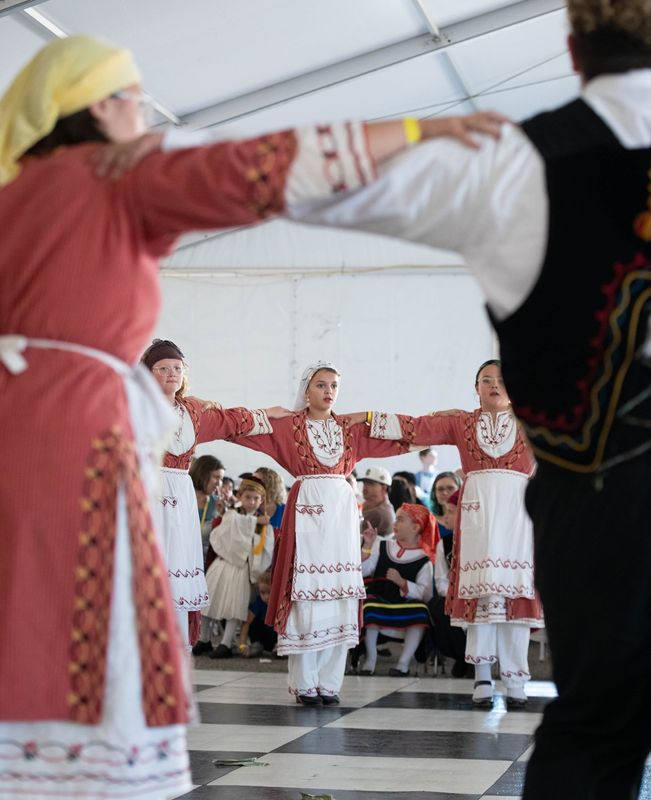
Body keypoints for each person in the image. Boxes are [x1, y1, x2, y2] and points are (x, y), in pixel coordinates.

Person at [0, 36, 504, 799]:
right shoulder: (108, 172)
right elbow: (254, 167)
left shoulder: (13, 191)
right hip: (71, 429)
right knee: (78, 605)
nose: (142, 113)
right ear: (98, 107)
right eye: (133, 97)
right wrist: (412, 133)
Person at [290, 5, 651, 786]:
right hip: (572, 493)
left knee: (595, 721)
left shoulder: (519, 158)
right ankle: (495, 673)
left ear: (570, 48)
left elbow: (324, 181)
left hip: (589, 495)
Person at [225, 361, 415, 705]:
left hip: (341, 512)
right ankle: (305, 682)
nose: (328, 392)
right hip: (307, 506)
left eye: (334, 386)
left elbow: (400, 437)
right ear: (306, 389)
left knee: (340, 594)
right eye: (321, 385)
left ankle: (330, 683)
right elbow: (237, 430)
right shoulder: (289, 425)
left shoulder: (348, 427)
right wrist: (266, 412)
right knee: (307, 593)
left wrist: (369, 415)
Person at [365, 361, 543, 708]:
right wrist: (366, 418)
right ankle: (483, 677)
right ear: (475, 387)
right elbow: (415, 427)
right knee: (481, 597)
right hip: (477, 515)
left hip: (517, 517)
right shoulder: (462, 422)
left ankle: (517, 680)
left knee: (515, 598)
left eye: (503, 380)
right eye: (486, 380)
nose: (494, 385)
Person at [142, 338, 280, 652]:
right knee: (151, 564)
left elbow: (232, 422)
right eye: (162, 368)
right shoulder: (136, 405)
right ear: (148, 374)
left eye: (176, 368)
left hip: (181, 494)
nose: (171, 373)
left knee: (178, 567)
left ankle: (175, 648)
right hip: (148, 490)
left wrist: (268, 414)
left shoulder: (192, 410)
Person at [359, 503, 437, 676]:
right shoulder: (383, 546)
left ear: (416, 527)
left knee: (421, 612)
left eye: (401, 520)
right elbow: (364, 571)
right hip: (380, 599)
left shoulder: (424, 559)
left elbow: (426, 594)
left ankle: (403, 663)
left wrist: (402, 582)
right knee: (369, 606)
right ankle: (370, 659)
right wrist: (367, 546)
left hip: (405, 604)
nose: (395, 523)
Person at [201, 475, 273, 659]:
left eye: (256, 498)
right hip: (223, 564)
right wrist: (254, 523)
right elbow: (229, 527)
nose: (251, 502)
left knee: (234, 607)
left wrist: (257, 528)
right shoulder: (234, 514)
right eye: (247, 497)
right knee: (208, 602)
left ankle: (225, 643)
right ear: (240, 496)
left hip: (241, 569)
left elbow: (264, 548)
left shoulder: (263, 523)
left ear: (261, 500)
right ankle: (204, 639)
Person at [431, 489, 471, 678]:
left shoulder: (479, 541)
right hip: (452, 595)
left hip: (473, 594)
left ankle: (472, 660)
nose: (446, 516)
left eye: (451, 511)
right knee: (440, 608)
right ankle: (465, 658)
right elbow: (441, 577)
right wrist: (452, 594)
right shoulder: (445, 543)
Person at [189, 454, 225, 553]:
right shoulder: (182, 497)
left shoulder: (217, 504)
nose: (219, 483)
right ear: (202, 474)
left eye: (221, 479)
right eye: (216, 477)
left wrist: (223, 515)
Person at [237, 571, 278, 658]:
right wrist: (242, 645)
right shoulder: (259, 602)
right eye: (262, 593)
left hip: (276, 638)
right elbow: (246, 623)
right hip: (262, 638)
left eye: (269, 592)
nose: (266, 597)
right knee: (251, 618)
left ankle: (280, 646)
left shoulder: (279, 604)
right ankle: (256, 645)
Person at [359, 465, 396, 538]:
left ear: (383, 488)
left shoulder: (379, 513)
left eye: (370, 484)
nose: (365, 487)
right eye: (364, 483)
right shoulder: (374, 506)